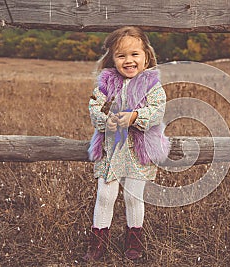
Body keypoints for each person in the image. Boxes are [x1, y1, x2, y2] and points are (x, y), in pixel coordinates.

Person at [83, 26, 170, 262]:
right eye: (121, 56)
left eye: (135, 54)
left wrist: (134, 116)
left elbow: (157, 111)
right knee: (105, 195)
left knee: (133, 196)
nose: (129, 61)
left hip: (138, 151)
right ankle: (98, 241)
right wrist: (106, 121)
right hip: (111, 149)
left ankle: (134, 240)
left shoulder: (152, 86)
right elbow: (94, 109)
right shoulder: (105, 84)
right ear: (112, 59)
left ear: (146, 57)